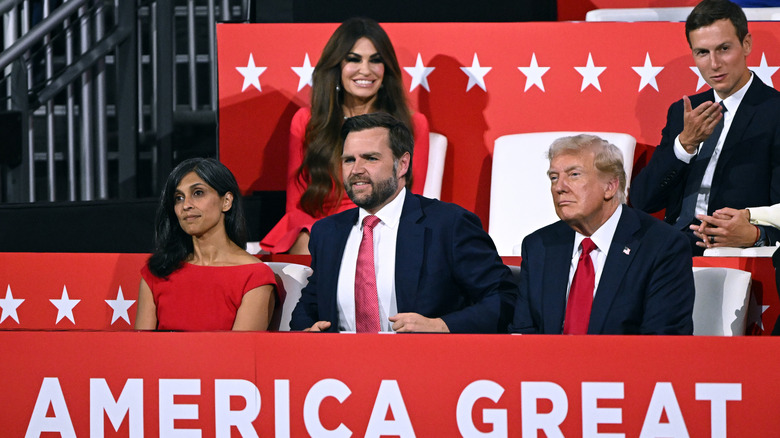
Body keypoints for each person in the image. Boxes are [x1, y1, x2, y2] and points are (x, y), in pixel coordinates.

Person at [290, 113, 516, 333]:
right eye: (349, 160)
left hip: (424, 363)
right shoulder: (328, 232)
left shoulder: (449, 225)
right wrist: (309, 329)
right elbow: (310, 304)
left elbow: (504, 297)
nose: (356, 170)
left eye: (370, 158)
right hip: (340, 366)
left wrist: (441, 325)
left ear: (402, 165)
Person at [260, 17, 430, 254]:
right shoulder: (307, 121)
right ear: (337, 66)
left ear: (386, 69)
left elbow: (410, 199)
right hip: (319, 234)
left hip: (382, 231)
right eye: (353, 59)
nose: (365, 70)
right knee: (307, 242)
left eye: (375, 60)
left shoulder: (412, 125)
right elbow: (295, 207)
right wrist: (326, 234)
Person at [629, 0, 780, 255]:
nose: (714, 64)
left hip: (730, 245)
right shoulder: (684, 111)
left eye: (723, 49)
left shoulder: (774, 112)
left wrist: (758, 235)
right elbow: (643, 201)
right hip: (675, 241)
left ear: (746, 44)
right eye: (702, 52)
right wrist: (684, 144)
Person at [511, 135, 695, 335]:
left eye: (574, 175)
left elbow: (662, 341)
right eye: (554, 177)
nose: (559, 187)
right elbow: (524, 334)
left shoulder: (662, 246)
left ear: (610, 186)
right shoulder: (539, 246)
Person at [135, 158, 277, 331]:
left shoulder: (254, 276)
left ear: (226, 201)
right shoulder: (157, 272)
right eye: (179, 198)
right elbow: (141, 350)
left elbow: (239, 354)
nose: (186, 205)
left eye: (198, 193)